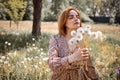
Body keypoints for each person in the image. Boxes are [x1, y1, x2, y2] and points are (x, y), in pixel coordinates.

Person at [48, 6, 99, 80]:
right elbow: (52, 64)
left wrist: (96, 78)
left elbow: (89, 66)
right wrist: (72, 58)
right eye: (71, 17)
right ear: (64, 22)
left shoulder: (82, 40)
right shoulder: (56, 39)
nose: (76, 19)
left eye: (77, 17)